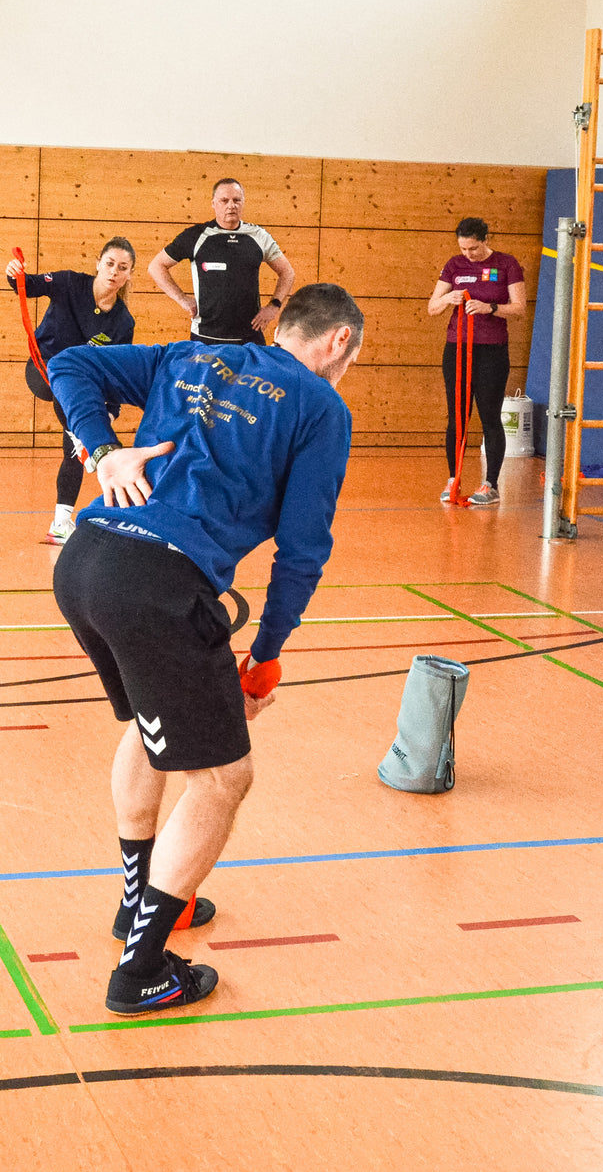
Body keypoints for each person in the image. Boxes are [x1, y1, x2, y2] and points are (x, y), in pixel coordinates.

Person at [50, 283, 363, 1015]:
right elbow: (303, 550)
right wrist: (267, 654)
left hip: (87, 559)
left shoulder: (188, 356)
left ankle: (139, 908)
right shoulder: (321, 407)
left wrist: (103, 453)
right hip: (156, 586)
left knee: (146, 728)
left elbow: (70, 364)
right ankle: (143, 968)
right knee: (223, 779)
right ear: (339, 342)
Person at [5, 240, 136, 545]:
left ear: (129, 275)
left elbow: (117, 373)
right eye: (110, 263)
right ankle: (83, 435)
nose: (114, 272)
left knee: (73, 453)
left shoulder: (122, 322)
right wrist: (14, 275)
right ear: (98, 264)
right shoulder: (67, 283)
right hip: (42, 369)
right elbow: (28, 285)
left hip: (78, 391)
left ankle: (61, 523)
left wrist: (110, 412)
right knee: (72, 395)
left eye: (122, 268)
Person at [427, 217, 526, 506]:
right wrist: (449, 299)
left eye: (473, 248)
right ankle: (453, 478)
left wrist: (490, 308)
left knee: (489, 416)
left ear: (485, 239)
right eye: (463, 248)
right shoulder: (454, 265)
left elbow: (519, 308)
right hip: (457, 348)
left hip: (491, 351)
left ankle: (490, 484)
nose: (468, 254)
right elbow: (432, 307)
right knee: (456, 416)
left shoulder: (507, 264)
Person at [147, 177, 295, 345]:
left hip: (249, 338)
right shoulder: (196, 236)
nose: (231, 205)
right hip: (206, 337)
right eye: (224, 200)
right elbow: (156, 266)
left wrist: (274, 306)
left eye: (236, 200)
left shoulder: (259, 236)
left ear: (243, 203)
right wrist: (182, 299)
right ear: (213, 203)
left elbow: (287, 272)